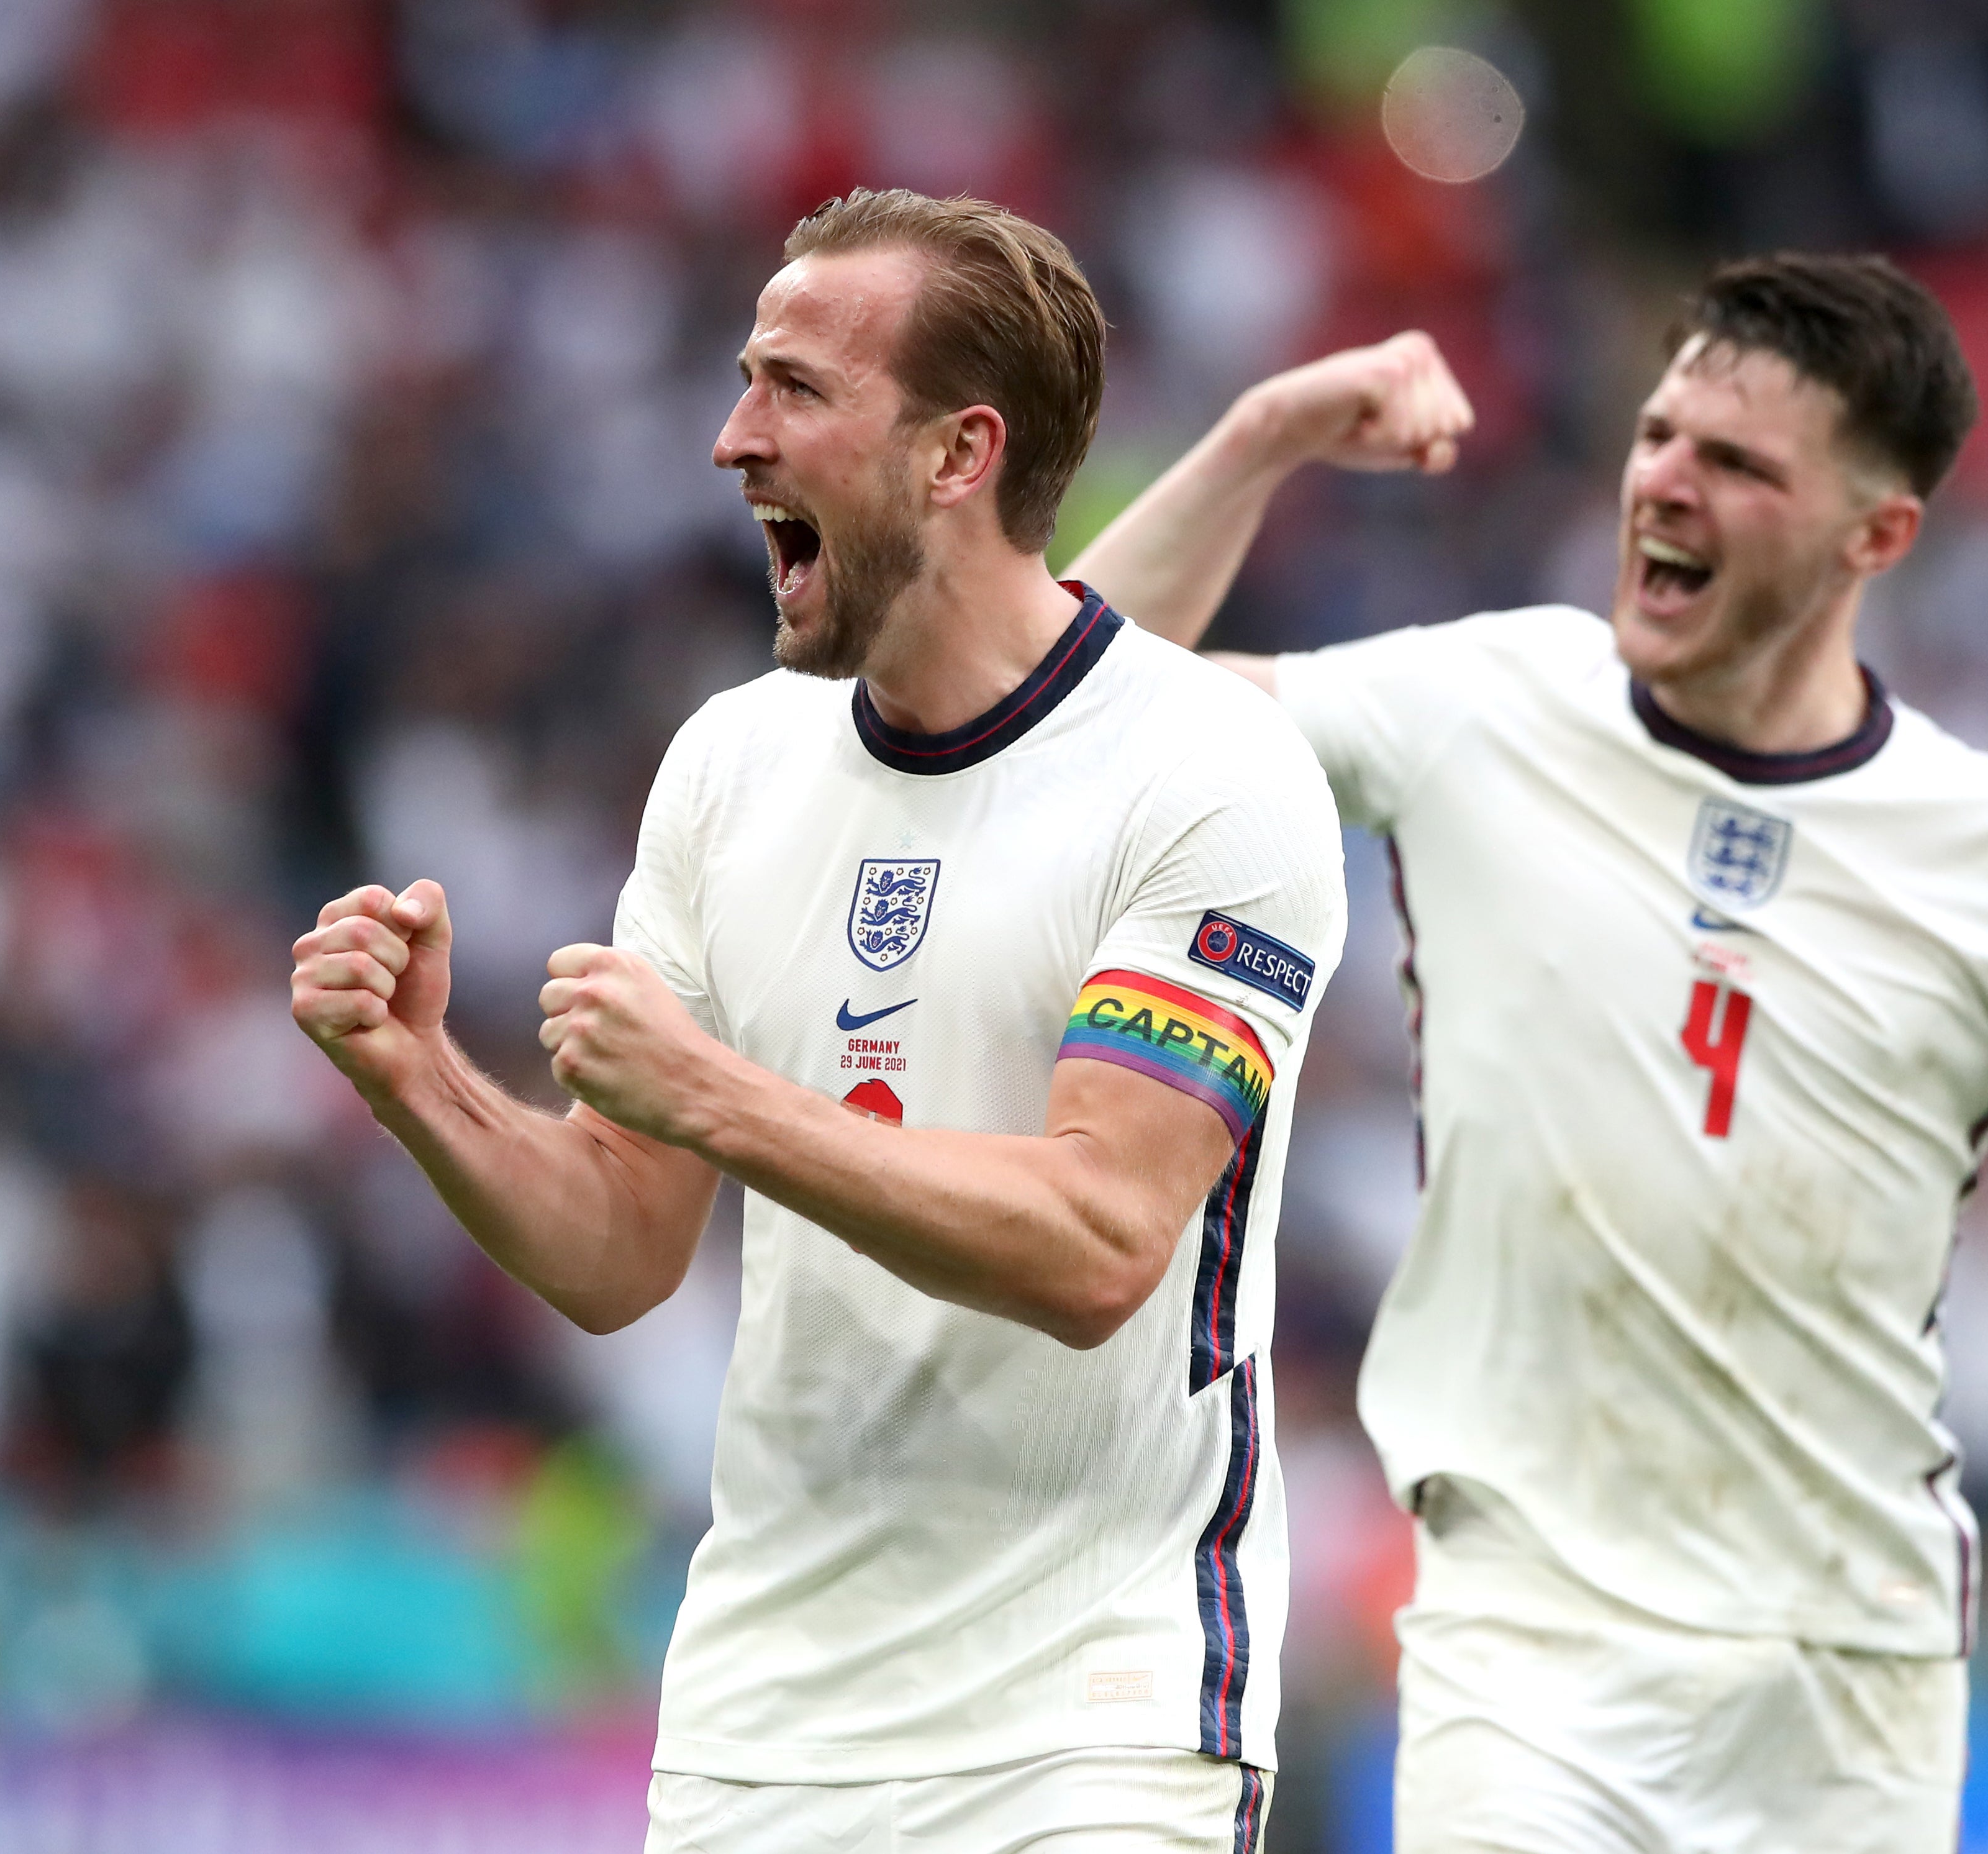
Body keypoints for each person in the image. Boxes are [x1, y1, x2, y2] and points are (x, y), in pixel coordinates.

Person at [1069, 254, 1988, 1851]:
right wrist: (1264, 436)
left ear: (1877, 535)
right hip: (1525, 1626)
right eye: (1656, 436)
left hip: (1844, 1669)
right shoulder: (1482, 700)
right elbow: (1079, 715)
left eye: (1735, 463)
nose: (1665, 484)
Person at [289, 188, 1344, 1854]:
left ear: (956, 453)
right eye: (740, 380)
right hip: (762, 1733)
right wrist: (424, 1082)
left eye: (793, 389)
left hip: (1091, 1729)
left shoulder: (1203, 773)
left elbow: (1094, 1241)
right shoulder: (732, 764)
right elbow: (623, 1250)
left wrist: (720, 1097)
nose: (730, 439)